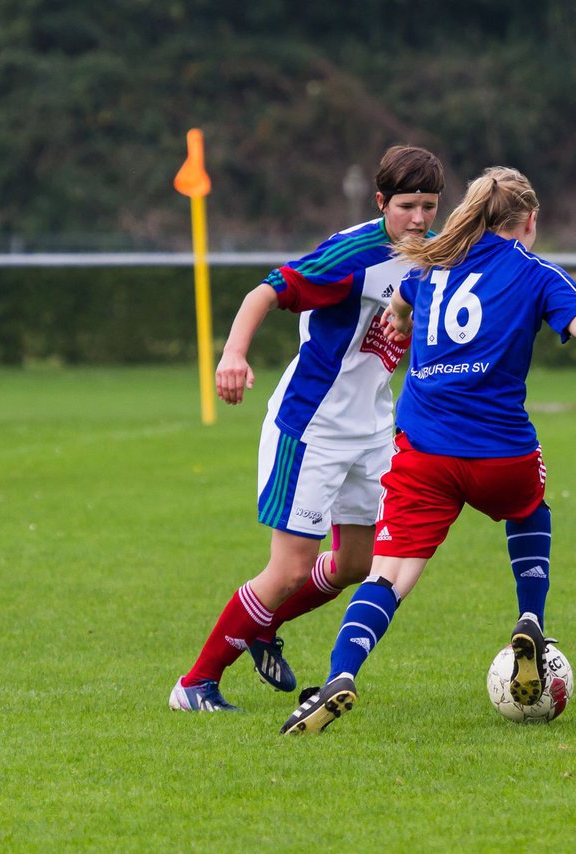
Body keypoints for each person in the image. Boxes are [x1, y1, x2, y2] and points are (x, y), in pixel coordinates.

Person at [280, 166, 576, 734]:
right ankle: (530, 617)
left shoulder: (432, 267)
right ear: (530, 221)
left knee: (386, 576)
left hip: (423, 452)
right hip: (500, 451)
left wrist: (407, 325)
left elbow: (400, 309)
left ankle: (341, 674)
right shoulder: (535, 272)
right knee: (529, 506)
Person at [169, 145, 445, 712]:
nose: (418, 219)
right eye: (407, 206)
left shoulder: (433, 256)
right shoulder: (354, 255)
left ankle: (260, 626)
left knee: (357, 565)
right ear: (381, 203)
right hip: (312, 427)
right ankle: (194, 684)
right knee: (291, 567)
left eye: (429, 206)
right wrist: (233, 356)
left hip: (372, 432)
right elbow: (265, 291)